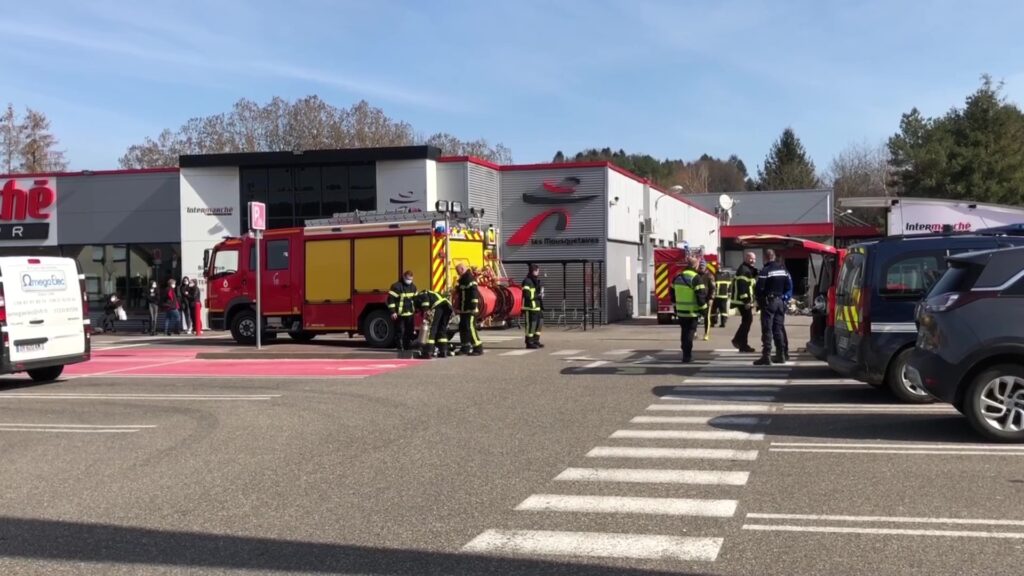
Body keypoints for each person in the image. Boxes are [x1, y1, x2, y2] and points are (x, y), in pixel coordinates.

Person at [753, 249, 793, 365]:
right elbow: (789, 286)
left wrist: (760, 302)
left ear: (765, 258)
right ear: (774, 257)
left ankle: (766, 356)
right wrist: (784, 298)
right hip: (780, 302)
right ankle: (781, 355)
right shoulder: (783, 270)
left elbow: (759, 288)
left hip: (769, 302)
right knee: (778, 329)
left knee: (767, 329)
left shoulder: (765, 271)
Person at [671, 256, 708, 363]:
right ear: (695, 265)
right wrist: (704, 311)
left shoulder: (677, 277)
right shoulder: (696, 278)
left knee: (684, 332)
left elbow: (672, 293)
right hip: (692, 312)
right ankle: (687, 356)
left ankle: (685, 351)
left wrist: (675, 306)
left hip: (681, 311)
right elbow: (701, 297)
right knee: (690, 334)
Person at [731, 252, 758, 353]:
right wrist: (746, 301)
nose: (753, 261)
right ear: (746, 258)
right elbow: (742, 288)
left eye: (754, 259)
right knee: (747, 321)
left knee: (746, 321)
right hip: (742, 301)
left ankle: (742, 344)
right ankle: (739, 341)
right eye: (751, 258)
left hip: (743, 301)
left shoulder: (746, 269)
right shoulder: (743, 270)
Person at [415, 289, 453, 359]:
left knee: (432, 328)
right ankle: (443, 351)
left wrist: (426, 311)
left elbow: (425, 302)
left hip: (438, 306)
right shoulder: (431, 293)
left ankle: (428, 352)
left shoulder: (421, 295)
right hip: (448, 307)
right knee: (442, 329)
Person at [455, 263, 483, 356]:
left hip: (470, 309)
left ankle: (478, 348)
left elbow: (474, 294)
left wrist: (473, 306)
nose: (457, 273)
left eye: (458, 271)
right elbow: (461, 295)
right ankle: (465, 347)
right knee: (463, 328)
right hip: (464, 309)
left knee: (470, 327)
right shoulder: (463, 280)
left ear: (462, 269)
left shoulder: (470, 279)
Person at [387, 271, 418, 351]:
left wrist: (417, 310)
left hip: (410, 314)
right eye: (408, 279)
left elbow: (416, 300)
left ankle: (407, 347)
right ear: (403, 277)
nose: (409, 281)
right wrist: (393, 312)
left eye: (411, 279)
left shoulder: (413, 287)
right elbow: (391, 300)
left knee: (409, 331)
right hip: (399, 314)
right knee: (400, 331)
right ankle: (400, 347)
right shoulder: (396, 286)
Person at [522, 264, 545, 349]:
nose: (538, 272)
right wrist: (537, 296)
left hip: (537, 307)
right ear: (533, 271)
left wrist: (540, 294)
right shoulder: (527, 281)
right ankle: (529, 342)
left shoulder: (536, 280)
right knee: (531, 325)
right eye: (537, 271)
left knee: (539, 324)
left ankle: (536, 341)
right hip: (530, 307)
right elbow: (527, 295)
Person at [698, 260, 716, 340]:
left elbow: (713, 288)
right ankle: (694, 332)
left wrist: (711, 298)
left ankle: (706, 334)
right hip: (697, 299)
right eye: (700, 266)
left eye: (703, 266)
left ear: (705, 266)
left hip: (706, 299)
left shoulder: (709, 276)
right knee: (694, 317)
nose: (701, 267)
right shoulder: (696, 275)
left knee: (706, 317)